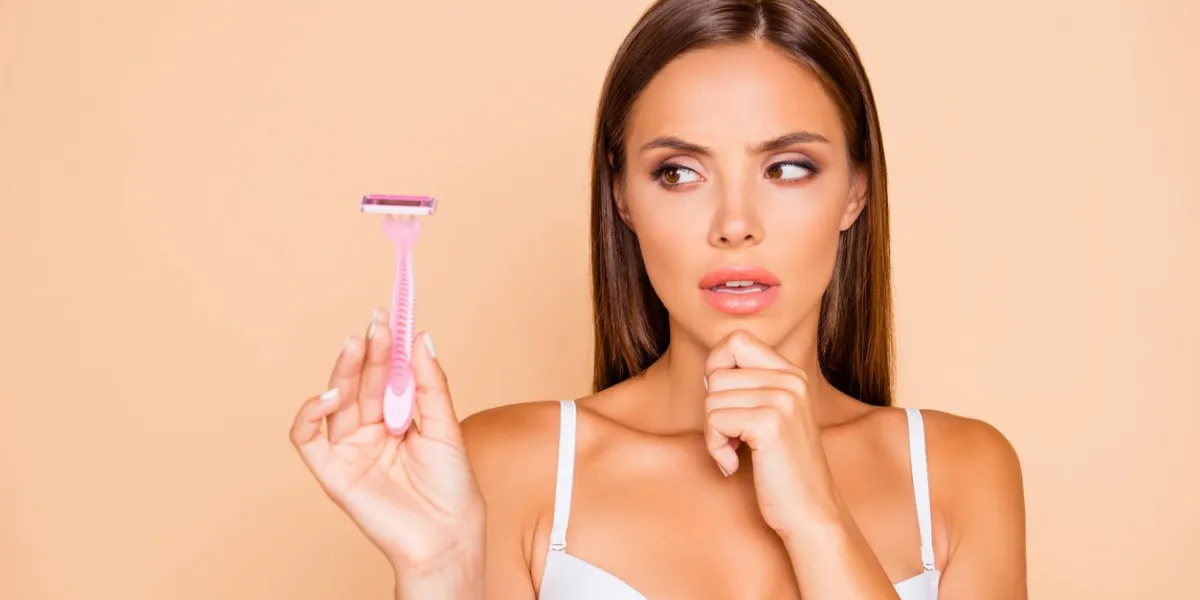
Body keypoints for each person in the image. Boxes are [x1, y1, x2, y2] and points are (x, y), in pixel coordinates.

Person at [289, 0, 1028, 598]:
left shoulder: (961, 474)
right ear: (623, 198)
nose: (735, 224)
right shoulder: (512, 465)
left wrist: (817, 517)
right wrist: (437, 572)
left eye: (789, 167)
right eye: (679, 173)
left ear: (856, 191)